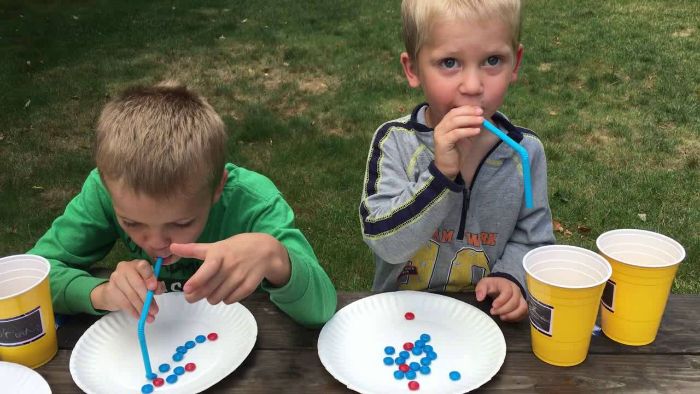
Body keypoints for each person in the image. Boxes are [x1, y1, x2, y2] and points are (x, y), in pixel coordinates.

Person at [28, 82, 337, 327]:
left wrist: (276, 257)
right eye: (132, 223)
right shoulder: (103, 191)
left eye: (180, 223)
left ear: (217, 189)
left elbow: (321, 308)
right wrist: (99, 292)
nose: (158, 242)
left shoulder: (252, 201)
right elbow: (33, 278)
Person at [359, 0, 555, 322]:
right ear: (413, 69)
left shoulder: (524, 153)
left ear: (515, 63)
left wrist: (511, 278)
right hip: (399, 321)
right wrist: (441, 175)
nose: (473, 86)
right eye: (449, 62)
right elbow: (384, 242)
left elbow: (533, 238)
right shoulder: (396, 142)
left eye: (493, 60)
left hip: (484, 323)